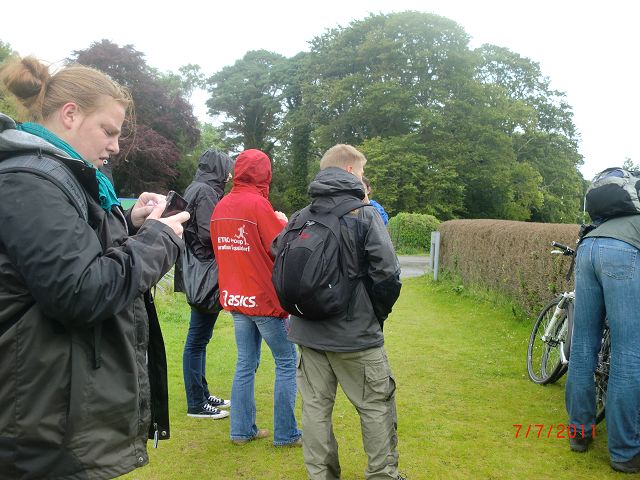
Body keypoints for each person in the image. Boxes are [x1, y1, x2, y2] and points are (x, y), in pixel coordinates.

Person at [0, 57, 189, 479]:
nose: (116, 146)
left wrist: (131, 223)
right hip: (36, 424)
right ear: (70, 115)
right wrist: (158, 239)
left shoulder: (58, 177)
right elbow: (81, 291)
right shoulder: (30, 181)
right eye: (108, 131)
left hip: (49, 411)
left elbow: (73, 251)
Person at [274, 144, 403, 479]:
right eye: (361, 172)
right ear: (349, 171)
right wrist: (375, 314)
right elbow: (388, 274)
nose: (363, 178)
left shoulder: (302, 215)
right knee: (375, 406)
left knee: (315, 409)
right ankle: (382, 474)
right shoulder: (364, 214)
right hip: (355, 335)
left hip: (307, 331)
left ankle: (321, 475)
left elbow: (278, 255)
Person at [211, 148, 302, 447]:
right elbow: (282, 246)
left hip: (236, 297)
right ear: (265, 174)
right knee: (287, 361)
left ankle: (241, 431)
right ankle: (286, 434)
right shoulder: (259, 205)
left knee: (245, 363)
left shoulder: (221, 205)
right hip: (263, 299)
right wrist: (284, 223)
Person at [565, 215, 640, 472]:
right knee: (628, 353)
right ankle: (625, 452)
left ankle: (579, 434)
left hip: (588, 246)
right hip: (623, 252)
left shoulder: (621, 208)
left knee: (582, 347)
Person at [174, 149, 233, 419]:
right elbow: (210, 234)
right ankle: (196, 403)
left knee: (200, 338)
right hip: (206, 271)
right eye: (227, 169)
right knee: (197, 339)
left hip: (197, 268)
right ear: (218, 168)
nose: (229, 175)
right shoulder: (207, 191)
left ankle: (203, 393)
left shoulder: (196, 187)